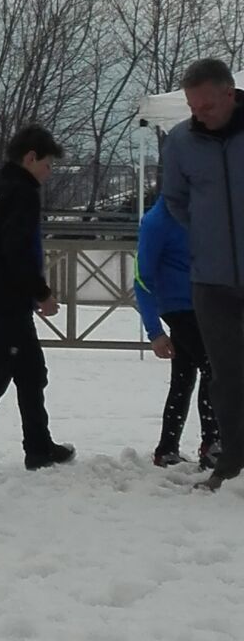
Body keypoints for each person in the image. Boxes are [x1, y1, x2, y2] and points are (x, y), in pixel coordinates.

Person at [0, 126, 76, 476]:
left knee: (31, 371)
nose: (48, 173)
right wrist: (41, 293)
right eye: (47, 165)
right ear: (30, 157)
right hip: (12, 297)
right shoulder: (23, 193)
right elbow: (17, 250)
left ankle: (38, 445)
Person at [162, 57, 244, 490]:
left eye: (207, 106)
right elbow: (175, 200)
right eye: (193, 107)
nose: (199, 115)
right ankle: (232, 464)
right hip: (211, 280)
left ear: (230, 94)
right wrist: (207, 235)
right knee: (225, 376)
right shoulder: (180, 141)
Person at [133, 192, 220, 469]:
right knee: (214, 369)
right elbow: (142, 278)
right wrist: (154, 331)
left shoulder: (202, 213)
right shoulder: (157, 221)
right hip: (178, 307)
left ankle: (167, 448)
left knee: (183, 376)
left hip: (203, 303)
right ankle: (213, 443)